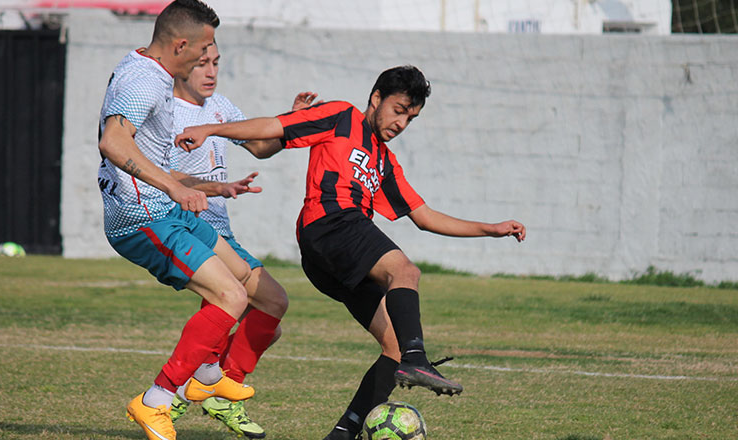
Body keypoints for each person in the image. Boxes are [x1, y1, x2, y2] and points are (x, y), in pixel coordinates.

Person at [175, 65, 527, 440]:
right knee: (405, 271)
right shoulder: (341, 116)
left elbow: (423, 217)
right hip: (329, 223)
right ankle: (417, 358)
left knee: (392, 346)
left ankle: (344, 432)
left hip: (327, 257)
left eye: (411, 117)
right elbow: (272, 128)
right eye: (398, 109)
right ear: (376, 98)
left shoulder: (385, 161)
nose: (402, 123)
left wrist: (489, 229)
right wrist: (210, 129)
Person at [96, 2, 265, 440]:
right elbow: (113, 141)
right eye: (206, 47)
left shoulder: (149, 71)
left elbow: (148, 155)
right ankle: (156, 400)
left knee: (246, 280)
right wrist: (173, 188)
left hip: (167, 209)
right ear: (182, 44)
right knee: (230, 295)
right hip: (141, 217)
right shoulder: (145, 82)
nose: (210, 57)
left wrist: (206, 188)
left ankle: (208, 373)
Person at [165, 42, 319, 439]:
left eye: (216, 63)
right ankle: (175, 396)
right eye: (202, 64)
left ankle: (199, 393)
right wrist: (214, 188)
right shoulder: (165, 112)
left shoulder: (221, 108)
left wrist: (291, 121)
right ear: (181, 65)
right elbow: (159, 176)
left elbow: (259, 146)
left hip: (221, 232)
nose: (211, 72)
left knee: (264, 321)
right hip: (188, 226)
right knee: (256, 306)